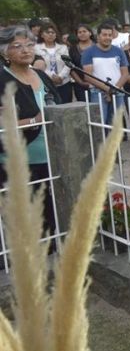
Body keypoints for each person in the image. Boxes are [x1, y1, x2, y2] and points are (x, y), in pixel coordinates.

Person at [0, 25, 62, 253]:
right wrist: (34, 120)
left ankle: (50, 258)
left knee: (51, 216)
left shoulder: (41, 75)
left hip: (50, 156)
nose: (25, 50)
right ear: (5, 52)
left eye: (29, 44)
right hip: (19, 160)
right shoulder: (2, 80)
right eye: (17, 46)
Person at [81, 23, 129, 125]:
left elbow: (125, 74)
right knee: (100, 123)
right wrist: (108, 89)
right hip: (97, 92)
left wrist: (114, 89)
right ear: (98, 36)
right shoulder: (88, 52)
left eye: (110, 35)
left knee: (117, 123)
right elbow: (88, 76)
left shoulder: (119, 51)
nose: (107, 37)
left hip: (118, 91)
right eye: (104, 35)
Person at [34, 22, 72, 103]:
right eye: (47, 32)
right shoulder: (36, 48)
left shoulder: (63, 47)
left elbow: (68, 64)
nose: (50, 34)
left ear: (56, 35)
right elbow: (38, 66)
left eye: (53, 32)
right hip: (45, 83)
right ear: (42, 35)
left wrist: (60, 77)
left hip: (64, 83)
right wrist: (51, 77)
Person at [69, 24, 95, 102]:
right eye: (79, 32)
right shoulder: (72, 49)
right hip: (80, 85)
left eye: (84, 31)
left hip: (99, 83)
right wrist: (81, 82)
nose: (82, 34)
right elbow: (71, 67)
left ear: (90, 33)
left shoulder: (97, 46)